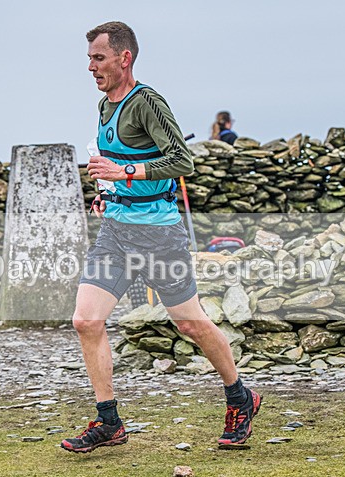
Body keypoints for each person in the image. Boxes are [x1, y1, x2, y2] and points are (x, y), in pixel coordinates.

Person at [60, 21, 261, 453]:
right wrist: (106, 190)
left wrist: (126, 172)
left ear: (123, 57)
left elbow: (181, 159)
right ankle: (109, 422)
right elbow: (115, 162)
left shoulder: (147, 101)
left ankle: (240, 398)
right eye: (89, 58)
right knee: (86, 321)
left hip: (159, 235)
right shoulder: (104, 106)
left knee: (190, 323)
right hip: (115, 230)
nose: (90, 67)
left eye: (98, 58)